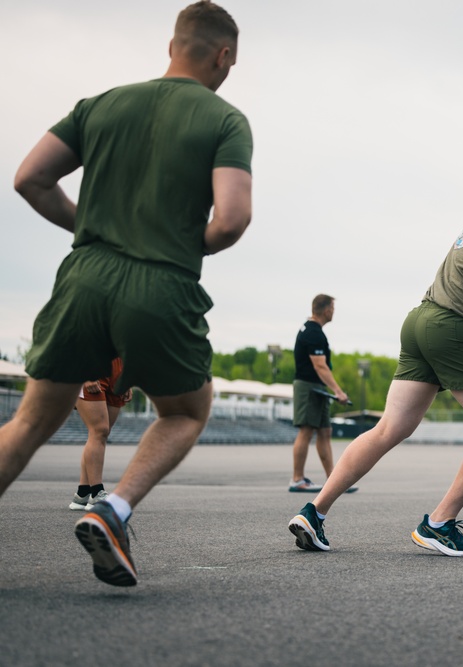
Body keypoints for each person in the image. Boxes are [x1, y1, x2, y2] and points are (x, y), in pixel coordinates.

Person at [0, 1, 252, 587]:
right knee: (186, 410)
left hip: (84, 274)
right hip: (161, 281)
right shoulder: (224, 119)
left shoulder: (101, 104)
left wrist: (92, 229)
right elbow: (233, 218)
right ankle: (113, 510)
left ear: (171, 47)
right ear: (224, 56)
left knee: (32, 420)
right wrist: (183, 246)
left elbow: (28, 178)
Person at [288, 153, 463, 557]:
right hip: (455, 328)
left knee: (389, 428)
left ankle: (313, 513)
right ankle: (438, 524)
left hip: (423, 320)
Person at [290, 294, 352, 493]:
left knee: (325, 432)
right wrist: (338, 391)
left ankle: (332, 480)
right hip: (308, 387)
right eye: (333, 308)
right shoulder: (313, 332)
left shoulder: (313, 330)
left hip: (317, 387)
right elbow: (320, 366)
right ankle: (297, 479)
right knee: (306, 431)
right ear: (326, 310)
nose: (333, 312)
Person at [69, 358, 132, 510]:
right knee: (99, 431)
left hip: (117, 368)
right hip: (92, 365)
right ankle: (97, 493)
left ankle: (83, 493)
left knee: (100, 434)